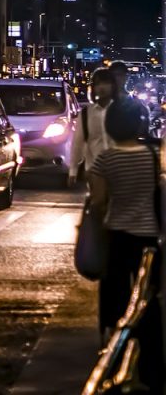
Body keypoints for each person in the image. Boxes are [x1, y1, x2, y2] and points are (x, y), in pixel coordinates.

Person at [87, 97, 163, 390]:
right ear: (139, 124)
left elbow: (98, 202)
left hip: (116, 235)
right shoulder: (153, 156)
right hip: (149, 238)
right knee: (148, 299)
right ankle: (152, 369)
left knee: (115, 297)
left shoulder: (106, 159)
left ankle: (113, 359)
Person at [68, 67, 115, 186]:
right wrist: (73, 171)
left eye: (106, 83)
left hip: (118, 171)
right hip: (93, 171)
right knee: (97, 202)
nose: (102, 87)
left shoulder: (120, 111)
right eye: (98, 84)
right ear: (93, 88)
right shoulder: (86, 113)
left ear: (112, 86)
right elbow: (77, 143)